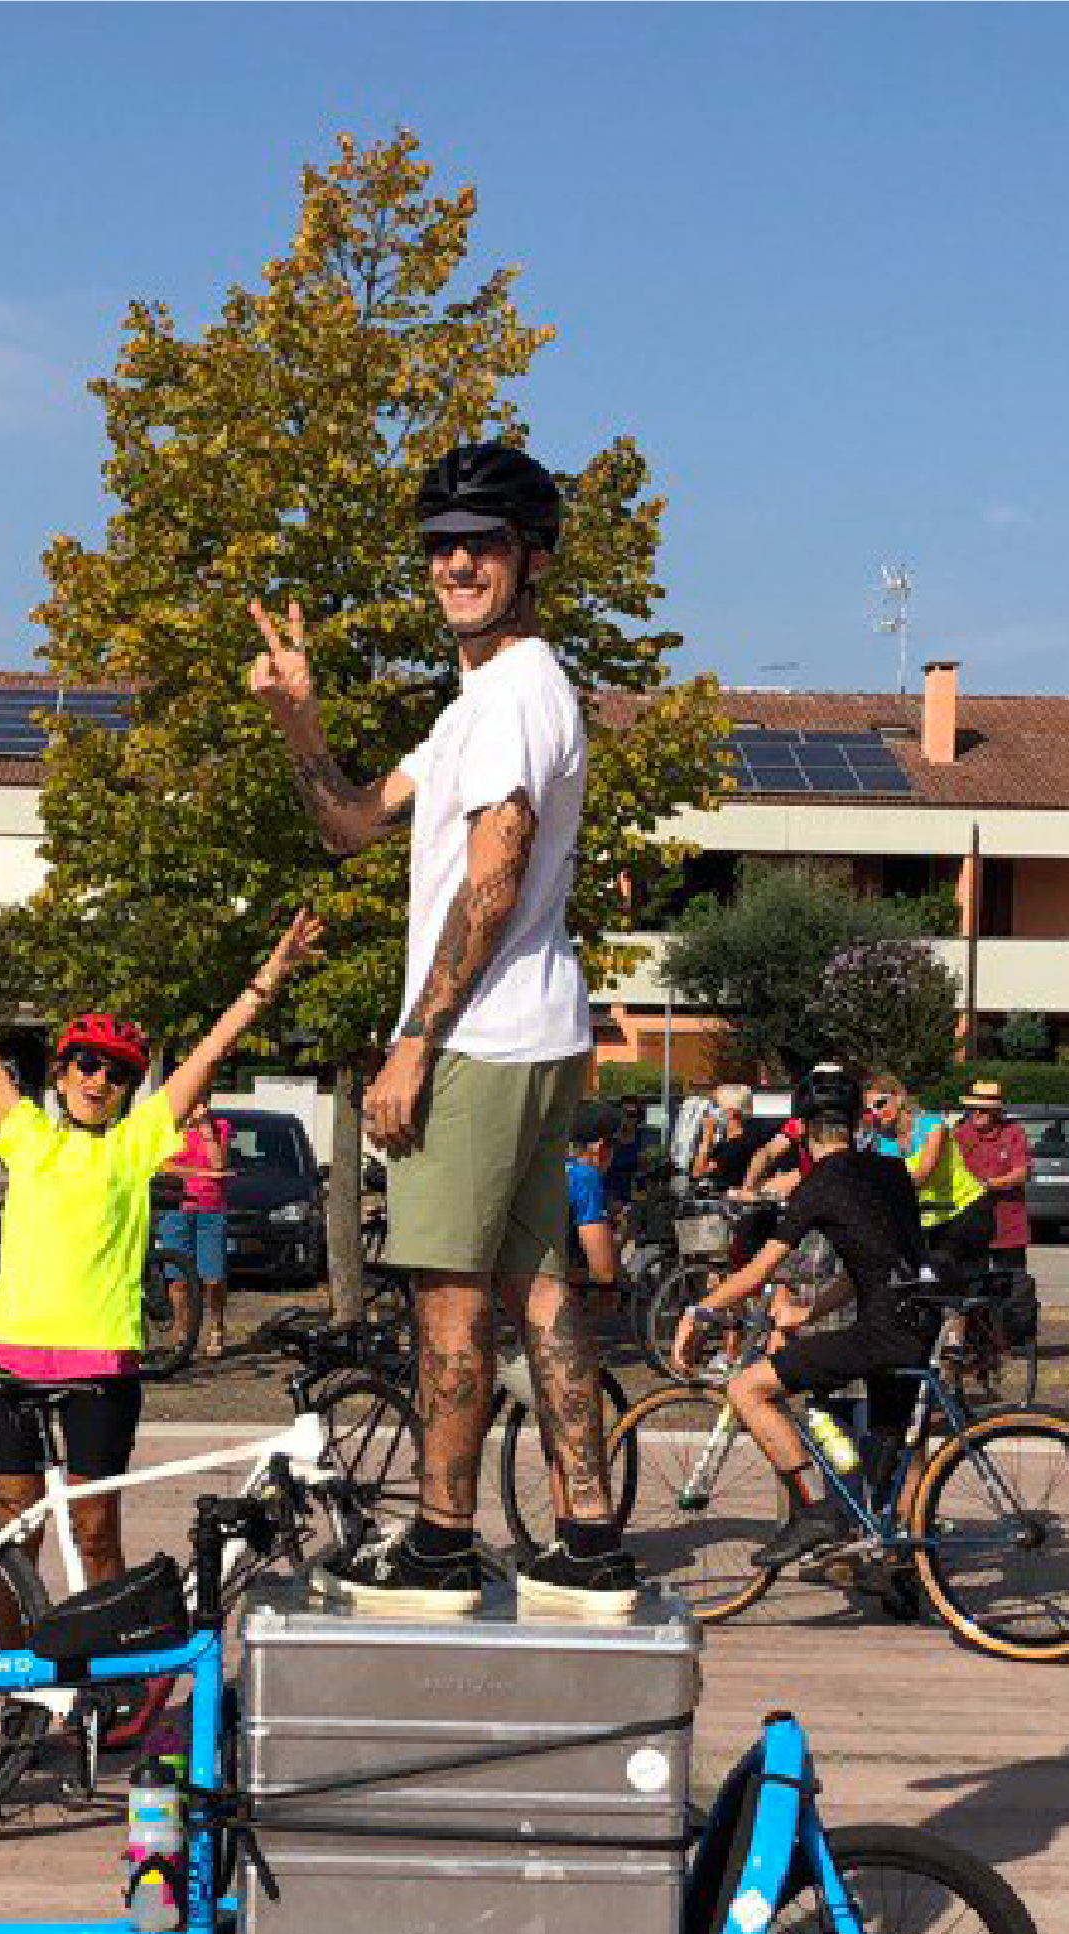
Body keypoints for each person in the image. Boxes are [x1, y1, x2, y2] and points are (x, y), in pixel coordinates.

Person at [245, 438, 630, 1616]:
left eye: (483, 543)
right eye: (440, 544)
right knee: (537, 1280)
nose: (456, 561)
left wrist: (415, 1035)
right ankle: (589, 1537)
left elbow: (494, 875)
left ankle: (443, 1541)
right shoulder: (479, 700)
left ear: (532, 557)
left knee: (447, 1299)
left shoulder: (516, 694)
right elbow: (353, 826)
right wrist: (300, 725)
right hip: (535, 1029)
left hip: (479, 1034)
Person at [0, 859, 321, 1614]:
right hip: (10, 1362)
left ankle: (105, 1688)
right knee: (14, 1539)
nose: (98, 1079)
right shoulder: (25, 1134)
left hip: (100, 1366)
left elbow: (209, 1053)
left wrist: (272, 973)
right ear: (60, 1074)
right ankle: (20, 1694)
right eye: (85, 1065)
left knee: (95, 1533)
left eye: (116, 1073)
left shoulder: (135, 1144)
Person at [671, 1062, 931, 1570]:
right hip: (918, 1321)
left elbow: (760, 1269)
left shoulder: (817, 1186)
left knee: (747, 1387)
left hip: (882, 1333)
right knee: (886, 1462)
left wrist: (700, 1309)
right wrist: (811, 1310)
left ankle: (814, 1511)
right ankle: (896, 1570)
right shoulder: (889, 1171)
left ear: (803, 1127)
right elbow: (872, 1264)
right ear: (855, 1122)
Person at [866, 1074, 994, 1281]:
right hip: (927, 1221)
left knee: (938, 1272)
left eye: (880, 1104)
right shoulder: (881, 1143)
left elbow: (923, 1173)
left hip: (965, 1212)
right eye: (870, 1109)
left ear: (898, 1098)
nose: (876, 1113)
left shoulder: (933, 1126)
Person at [157, 1095, 233, 1357]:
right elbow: (164, 1166)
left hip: (211, 1210)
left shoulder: (219, 1126)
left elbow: (219, 1164)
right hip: (176, 1207)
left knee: (213, 1277)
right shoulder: (169, 1127)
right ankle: (182, 1333)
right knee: (178, 1279)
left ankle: (216, 1327)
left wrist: (206, 1131)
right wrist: (201, 1174)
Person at [951, 1080, 1033, 1280]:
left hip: (1007, 1224)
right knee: (970, 1285)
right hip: (969, 1223)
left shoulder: (1013, 1133)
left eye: (983, 1110)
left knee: (1010, 1283)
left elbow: (1021, 1173)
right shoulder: (959, 1132)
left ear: (996, 1112)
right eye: (972, 1109)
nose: (976, 1114)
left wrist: (987, 1184)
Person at [565, 1102, 624, 1300]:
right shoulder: (584, 1178)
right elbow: (603, 1272)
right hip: (552, 1297)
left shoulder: (550, 1170)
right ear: (599, 1147)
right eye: (615, 1144)